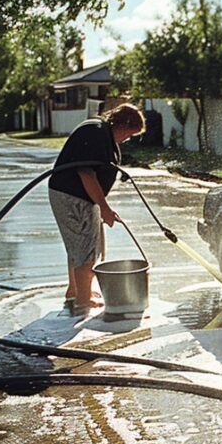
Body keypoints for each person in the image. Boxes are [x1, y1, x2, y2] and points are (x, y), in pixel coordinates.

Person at [48, 103, 145, 313]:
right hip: (74, 197)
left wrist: (102, 207)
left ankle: (75, 290)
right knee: (86, 246)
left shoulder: (100, 132)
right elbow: (86, 173)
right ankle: (83, 300)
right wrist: (104, 208)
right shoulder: (97, 133)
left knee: (78, 244)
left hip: (71, 195)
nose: (127, 139)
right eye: (129, 134)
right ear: (122, 124)